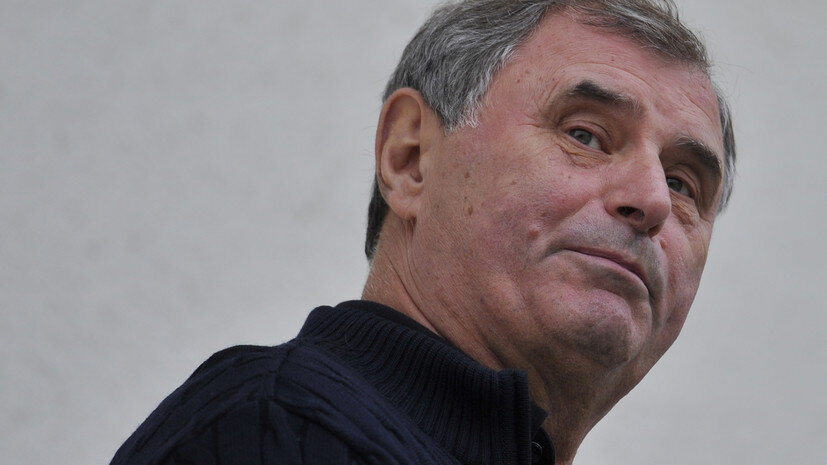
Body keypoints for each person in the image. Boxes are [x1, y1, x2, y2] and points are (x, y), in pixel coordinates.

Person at [110, 1, 736, 464]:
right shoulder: (280, 432)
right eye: (584, 135)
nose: (653, 200)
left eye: (683, 184)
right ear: (410, 158)